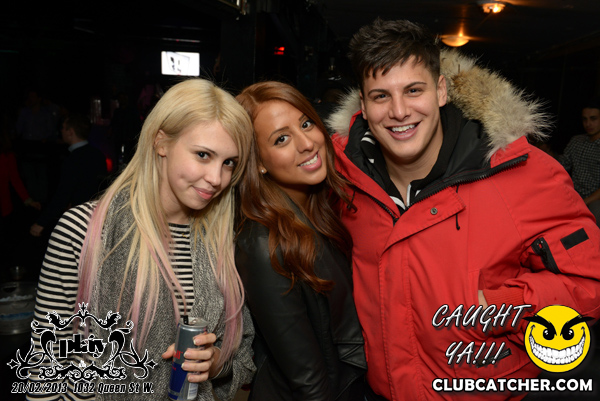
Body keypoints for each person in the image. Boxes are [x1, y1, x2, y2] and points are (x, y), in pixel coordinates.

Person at [326, 18, 600, 401]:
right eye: (381, 96)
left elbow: (589, 284)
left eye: (413, 90)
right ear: (364, 104)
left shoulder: (522, 174)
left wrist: (501, 306)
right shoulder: (343, 179)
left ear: (441, 90)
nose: (399, 111)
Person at [25, 79, 255, 401]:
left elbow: (243, 356)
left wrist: (216, 363)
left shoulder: (220, 241)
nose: (217, 178)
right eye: (203, 155)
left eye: (229, 162)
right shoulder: (84, 229)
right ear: (161, 142)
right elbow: (45, 366)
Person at [234, 81, 367, 400]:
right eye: (281, 139)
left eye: (306, 124)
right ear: (258, 162)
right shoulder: (264, 245)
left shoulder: (320, 209)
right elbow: (308, 382)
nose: (307, 143)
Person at [29, 113, 108, 238]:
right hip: (97, 216)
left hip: (79, 219)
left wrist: (41, 222)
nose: (61, 131)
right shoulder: (98, 154)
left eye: (63, 128)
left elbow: (62, 194)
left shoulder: (73, 159)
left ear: (71, 132)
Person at [559, 99, 600, 226]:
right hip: (572, 192)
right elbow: (561, 165)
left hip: (594, 198)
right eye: (584, 119)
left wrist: (584, 201)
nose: (588, 124)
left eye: (593, 119)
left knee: (596, 212)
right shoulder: (576, 141)